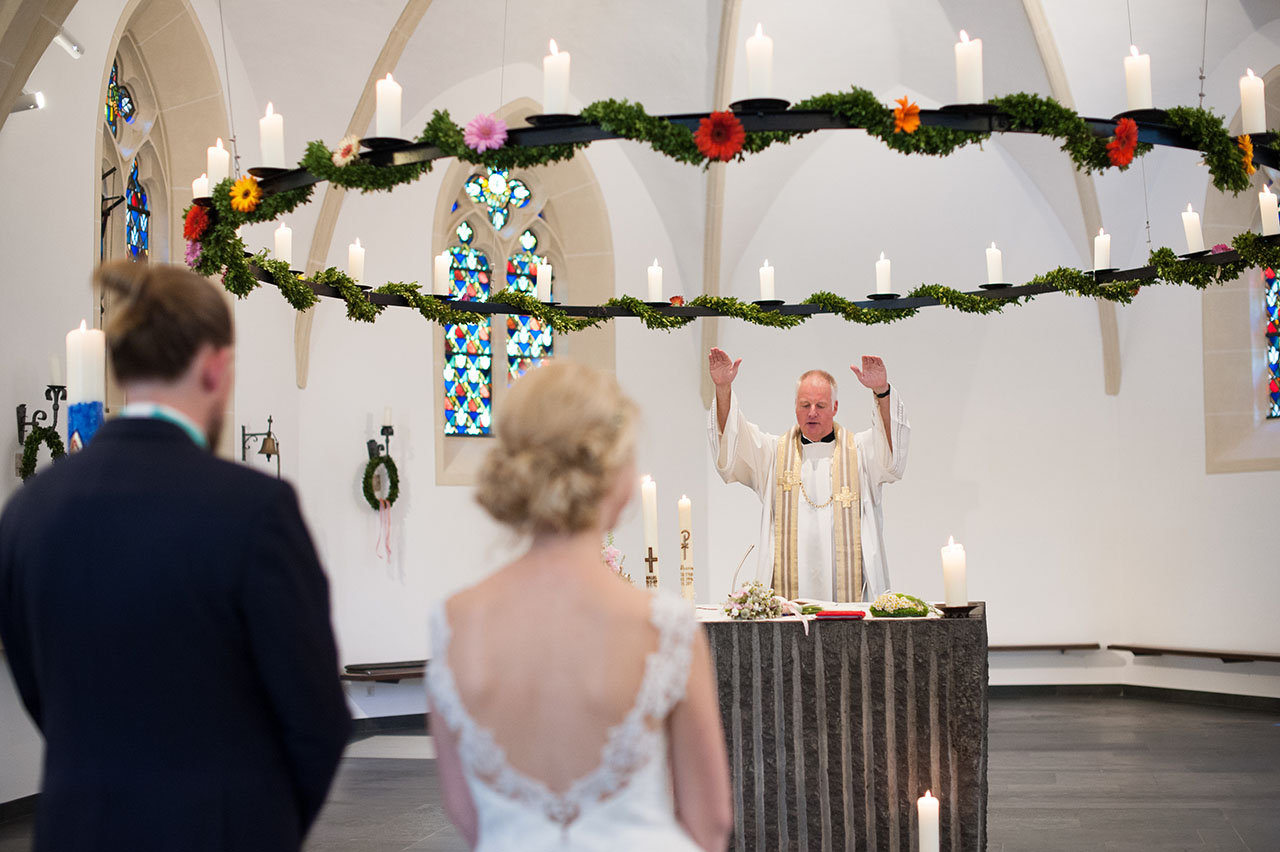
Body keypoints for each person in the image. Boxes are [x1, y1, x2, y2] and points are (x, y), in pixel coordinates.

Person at [0, 261, 350, 852]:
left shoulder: (29, 510)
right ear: (216, 367)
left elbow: (40, 691)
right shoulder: (256, 509)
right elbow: (316, 717)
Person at [427, 361, 732, 852]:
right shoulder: (664, 627)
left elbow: (466, 815)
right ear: (616, 476)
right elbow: (711, 821)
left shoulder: (453, 623)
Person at [706, 347, 909, 602]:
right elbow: (733, 445)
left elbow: (891, 456)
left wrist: (882, 391)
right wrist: (723, 388)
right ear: (795, 407)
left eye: (820, 405)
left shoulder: (860, 452)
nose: (812, 412)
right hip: (788, 603)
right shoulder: (773, 454)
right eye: (805, 405)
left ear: (835, 407)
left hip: (849, 601)